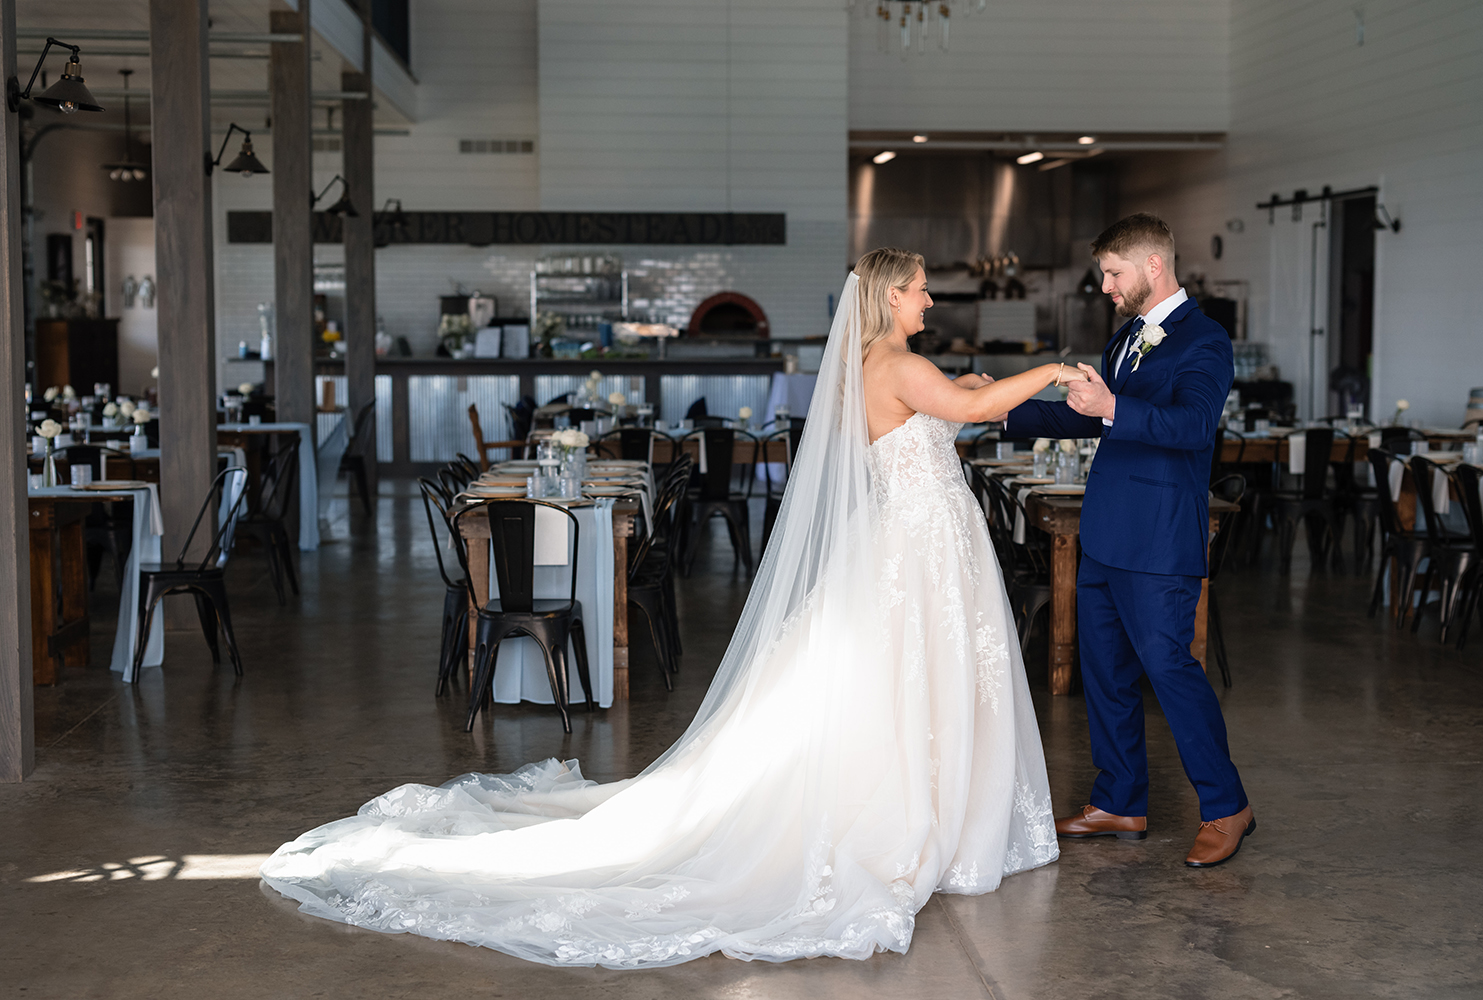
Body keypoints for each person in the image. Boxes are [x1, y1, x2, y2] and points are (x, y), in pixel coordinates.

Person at [260, 248, 1081, 968]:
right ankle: (920, 818)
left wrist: (975, 387)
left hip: (914, 549)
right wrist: (1052, 370)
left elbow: (945, 409)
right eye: (921, 290)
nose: (930, 300)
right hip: (918, 552)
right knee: (909, 684)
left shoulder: (882, 367)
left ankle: (929, 808)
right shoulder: (898, 366)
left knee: (904, 683)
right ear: (890, 296)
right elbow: (966, 411)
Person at [1002, 214, 1253, 867]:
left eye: (1113, 274)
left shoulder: (1206, 340)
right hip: (1106, 529)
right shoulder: (1125, 339)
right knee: (1104, 671)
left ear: (1152, 267)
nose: (1107, 287)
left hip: (1160, 537)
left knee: (1169, 668)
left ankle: (1227, 805)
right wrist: (996, 406)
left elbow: (1194, 424)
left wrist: (1112, 407)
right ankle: (1119, 800)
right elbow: (1079, 414)